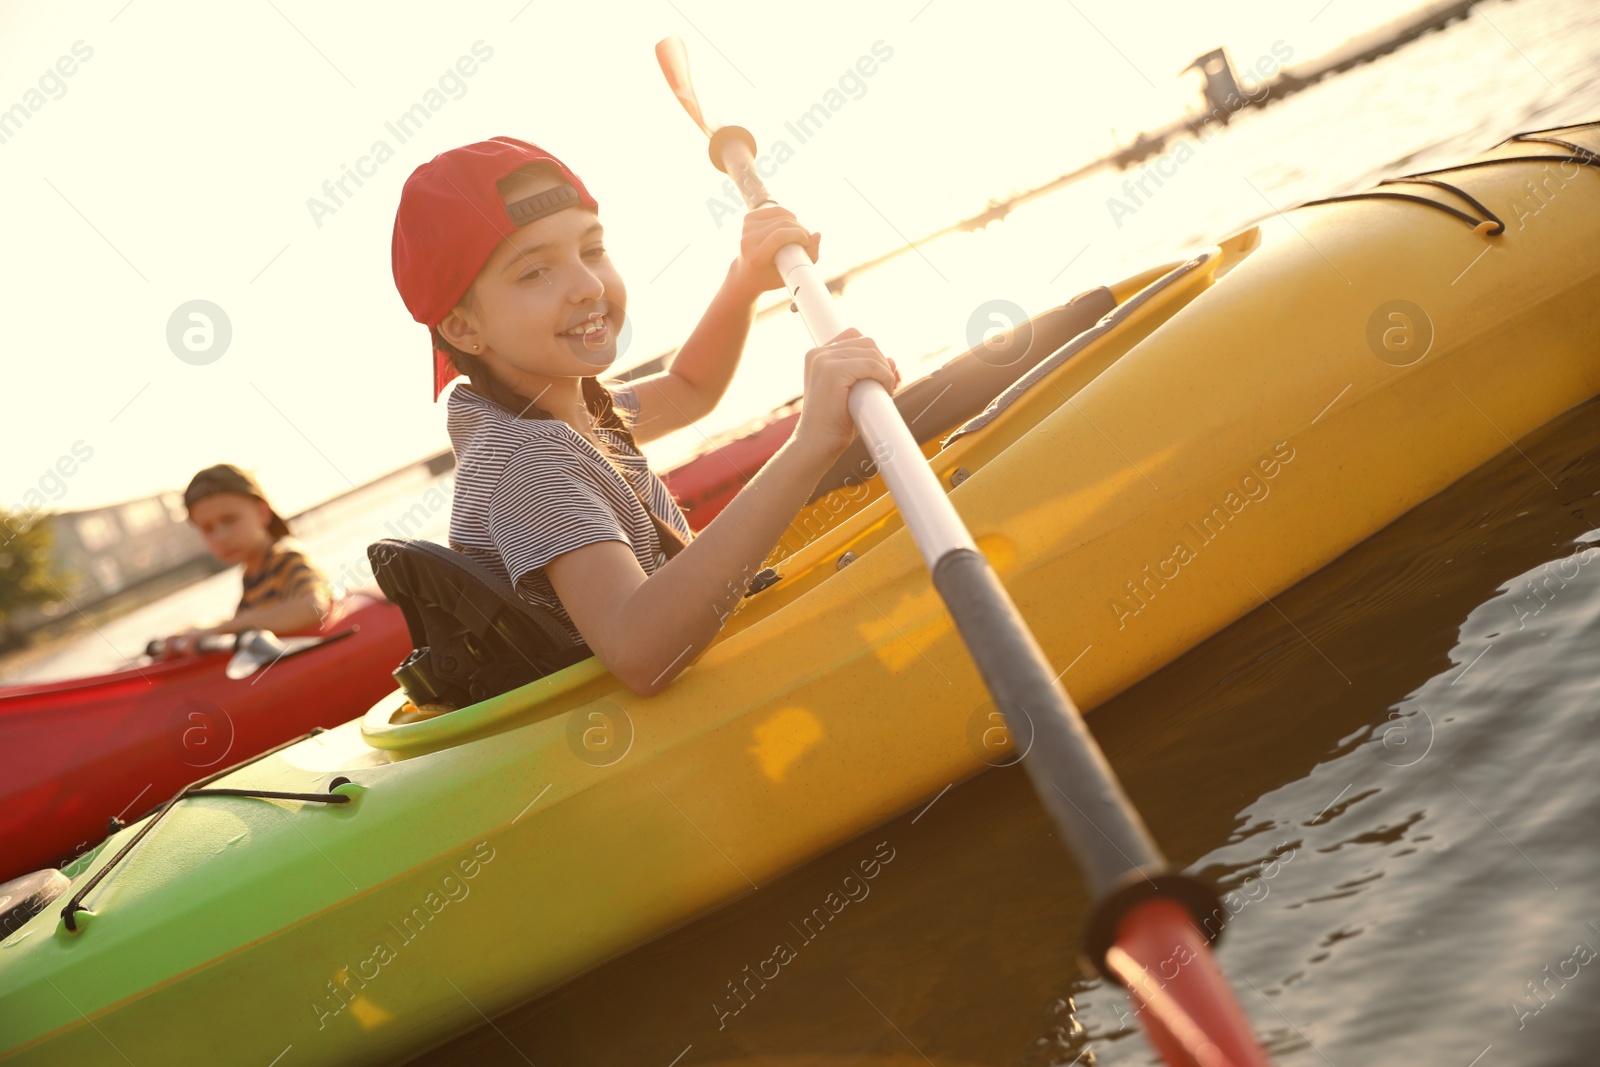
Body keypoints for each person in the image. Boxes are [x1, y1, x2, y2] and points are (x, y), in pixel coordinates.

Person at [390, 137, 898, 696]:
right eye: (535, 273)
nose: (588, 286)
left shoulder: (566, 406)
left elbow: (690, 387)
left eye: (592, 250)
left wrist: (745, 278)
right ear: (463, 328)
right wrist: (810, 443)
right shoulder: (528, 465)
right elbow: (640, 650)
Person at [158, 464, 331, 656]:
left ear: (262, 513)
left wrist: (220, 629)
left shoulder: (287, 556)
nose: (221, 537)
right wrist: (195, 630)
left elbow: (313, 606)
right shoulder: (252, 574)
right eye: (208, 529)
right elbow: (246, 619)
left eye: (230, 520)